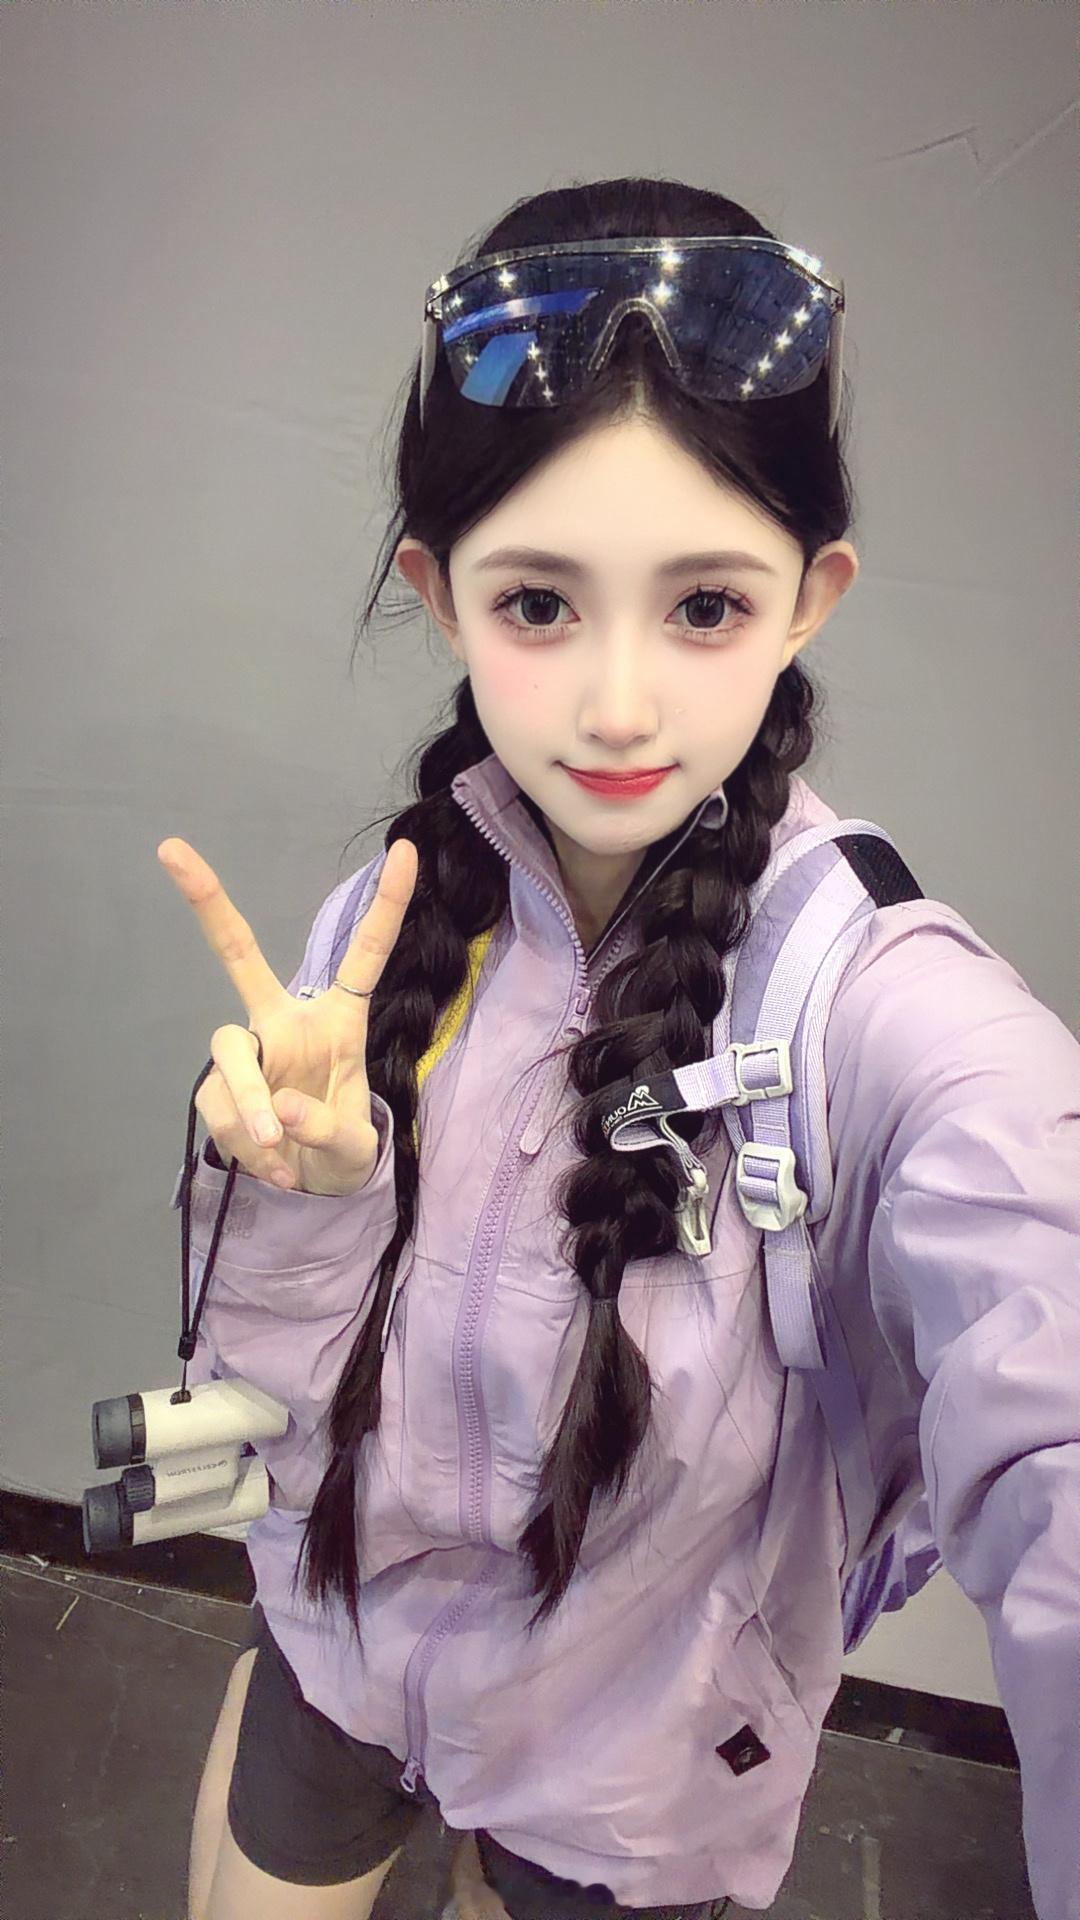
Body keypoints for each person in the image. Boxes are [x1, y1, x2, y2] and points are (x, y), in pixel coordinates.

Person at [163, 177, 1080, 1920]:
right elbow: (272, 1400)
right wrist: (307, 1201)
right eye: (539, 604)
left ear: (810, 597)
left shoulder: (883, 1013)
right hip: (331, 1652)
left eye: (706, 606)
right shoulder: (387, 921)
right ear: (440, 595)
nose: (619, 705)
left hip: (631, 1783)